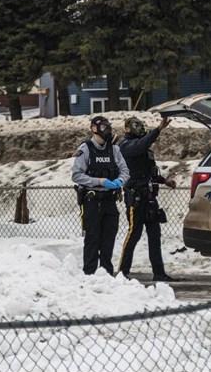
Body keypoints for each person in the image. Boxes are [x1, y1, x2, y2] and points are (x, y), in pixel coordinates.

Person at [116, 115, 178, 282]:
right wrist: (158, 129)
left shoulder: (145, 150)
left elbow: (151, 173)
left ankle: (159, 273)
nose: (139, 128)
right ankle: (122, 272)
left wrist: (165, 181)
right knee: (133, 234)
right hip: (135, 198)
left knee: (154, 235)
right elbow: (140, 145)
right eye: (135, 125)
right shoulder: (126, 146)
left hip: (149, 198)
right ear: (127, 129)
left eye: (140, 125)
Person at [71, 115, 129, 275]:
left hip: (110, 201)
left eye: (108, 127)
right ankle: (89, 274)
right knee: (92, 238)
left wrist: (120, 181)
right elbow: (76, 175)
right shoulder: (85, 149)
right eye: (103, 127)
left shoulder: (114, 149)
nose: (107, 131)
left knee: (108, 238)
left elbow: (125, 171)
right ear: (94, 129)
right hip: (92, 201)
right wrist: (100, 181)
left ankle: (106, 273)